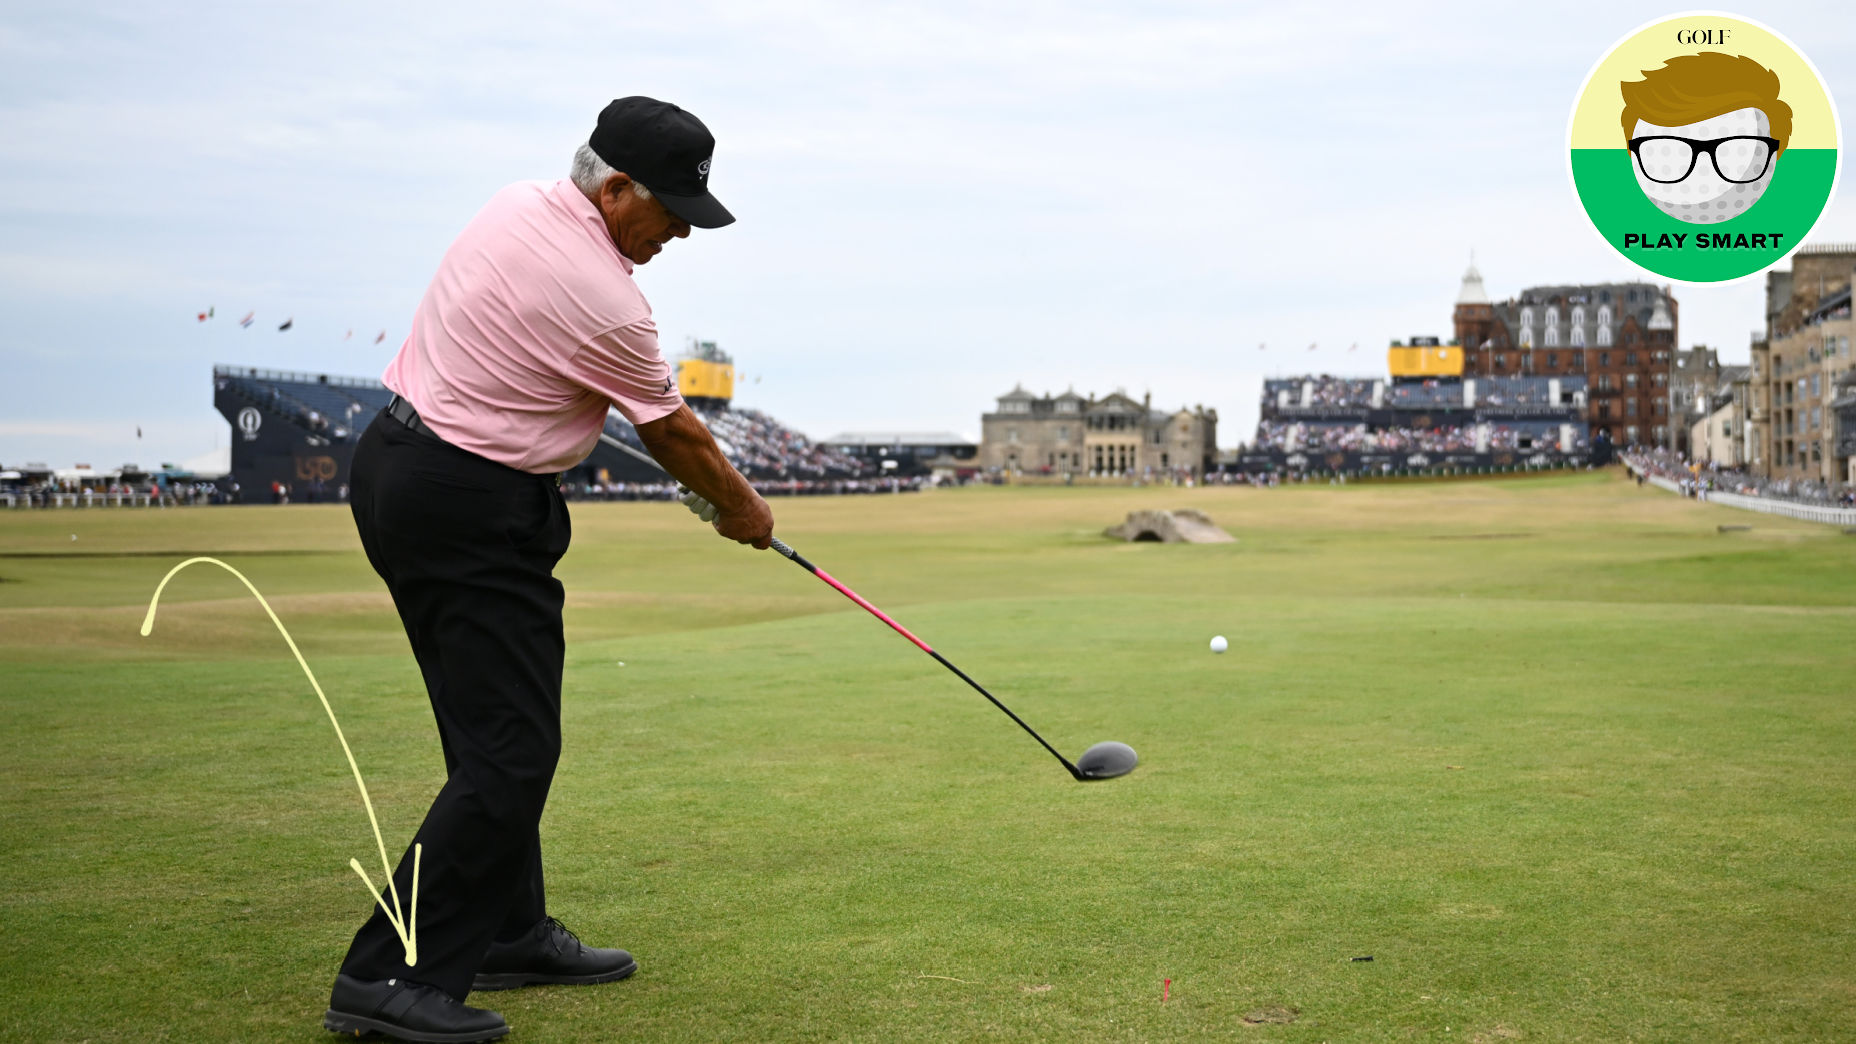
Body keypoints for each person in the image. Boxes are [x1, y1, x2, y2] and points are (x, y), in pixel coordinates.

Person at [322, 97, 773, 1043]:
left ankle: (508, 932)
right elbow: (673, 431)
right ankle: (386, 977)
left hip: (412, 472)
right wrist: (742, 509)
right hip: (466, 502)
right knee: (511, 751)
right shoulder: (603, 293)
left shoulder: (519, 203)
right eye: (673, 213)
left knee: (487, 734)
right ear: (614, 189)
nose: (680, 234)